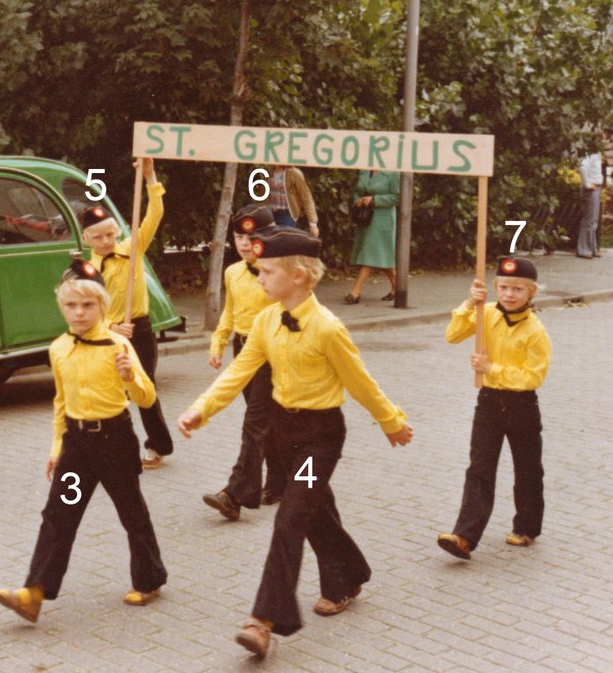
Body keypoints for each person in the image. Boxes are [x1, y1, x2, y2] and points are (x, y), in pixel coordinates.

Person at [177, 227, 413, 659]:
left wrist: (391, 421)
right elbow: (238, 372)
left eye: (267, 272)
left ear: (300, 274)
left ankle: (263, 621)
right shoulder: (266, 321)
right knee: (315, 511)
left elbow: (359, 383)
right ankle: (351, 573)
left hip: (318, 439)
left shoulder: (327, 328)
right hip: (282, 434)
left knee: (291, 518)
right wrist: (201, 409)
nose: (259, 278)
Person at [0, 260, 167, 623]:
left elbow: (147, 398)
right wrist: (57, 449)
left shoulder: (118, 345)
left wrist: (131, 376)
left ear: (102, 306)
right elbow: (61, 402)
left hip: (114, 441)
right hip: (77, 446)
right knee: (58, 515)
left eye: (88, 305)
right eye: (71, 305)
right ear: (61, 306)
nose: (79, 312)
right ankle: (34, 594)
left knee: (131, 511)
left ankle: (149, 579)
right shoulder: (58, 348)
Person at [437, 257, 551, 560]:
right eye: (503, 287)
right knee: (479, 468)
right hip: (488, 402)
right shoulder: (485, 314)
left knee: (527, 469)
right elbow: (452, 335)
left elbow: (533, 376)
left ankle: (526, 527)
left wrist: (492, 367)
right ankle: (464, 536)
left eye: (517, 289)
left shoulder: (536, 331)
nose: (509, 294)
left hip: (522, 406)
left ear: (531, 293)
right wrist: (468, 304)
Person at [82, 157, 173, 469]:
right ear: (87, 240)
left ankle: (157, 445)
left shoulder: (131, 248)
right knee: (109, 394)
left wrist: (150, 176)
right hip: (107, 337)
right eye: (98, 237)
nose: (106, 241)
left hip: (140, 330)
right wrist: (110, 327)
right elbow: (86, 312)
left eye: (110, 234)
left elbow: (156, 213)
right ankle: (112, 448)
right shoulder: (87, 270)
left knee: (144, 389)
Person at [203, 205, 285, 520]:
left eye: (252, 237)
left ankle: (236, 494)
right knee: (267, 424)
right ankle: (278, 482)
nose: (245, 243)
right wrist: (218, 342)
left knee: (254, 423)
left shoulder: (279, 270)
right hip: (243, 351)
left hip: (271, 352)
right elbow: (230, 312)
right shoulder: (233, 271)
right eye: (239, 236)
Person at [344, 169, 400, 304]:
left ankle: (355, 292)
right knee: (380, 253)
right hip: (366, 216)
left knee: (370, 252)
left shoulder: (393, 173)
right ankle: (398, 287)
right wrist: (358, 200)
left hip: (383, 219)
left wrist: (374, 200)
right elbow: (357, 191)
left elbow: (396, 197)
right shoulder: (365, 171)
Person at [267, 165, 319, 237]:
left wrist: (313, 224)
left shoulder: (294, 173)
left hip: (287, 215)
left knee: (285, 243)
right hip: (271, 215)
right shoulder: (269, 172)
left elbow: (306, 197)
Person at [578, 138, 604, 259]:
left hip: (596, 188)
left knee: (593, 220)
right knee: (589, 220)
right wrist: (587, 184)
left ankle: (592, 248)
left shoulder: (597, 155)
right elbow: (582, 167)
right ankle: (584, 250)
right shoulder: (591, 154)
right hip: (591, 189)